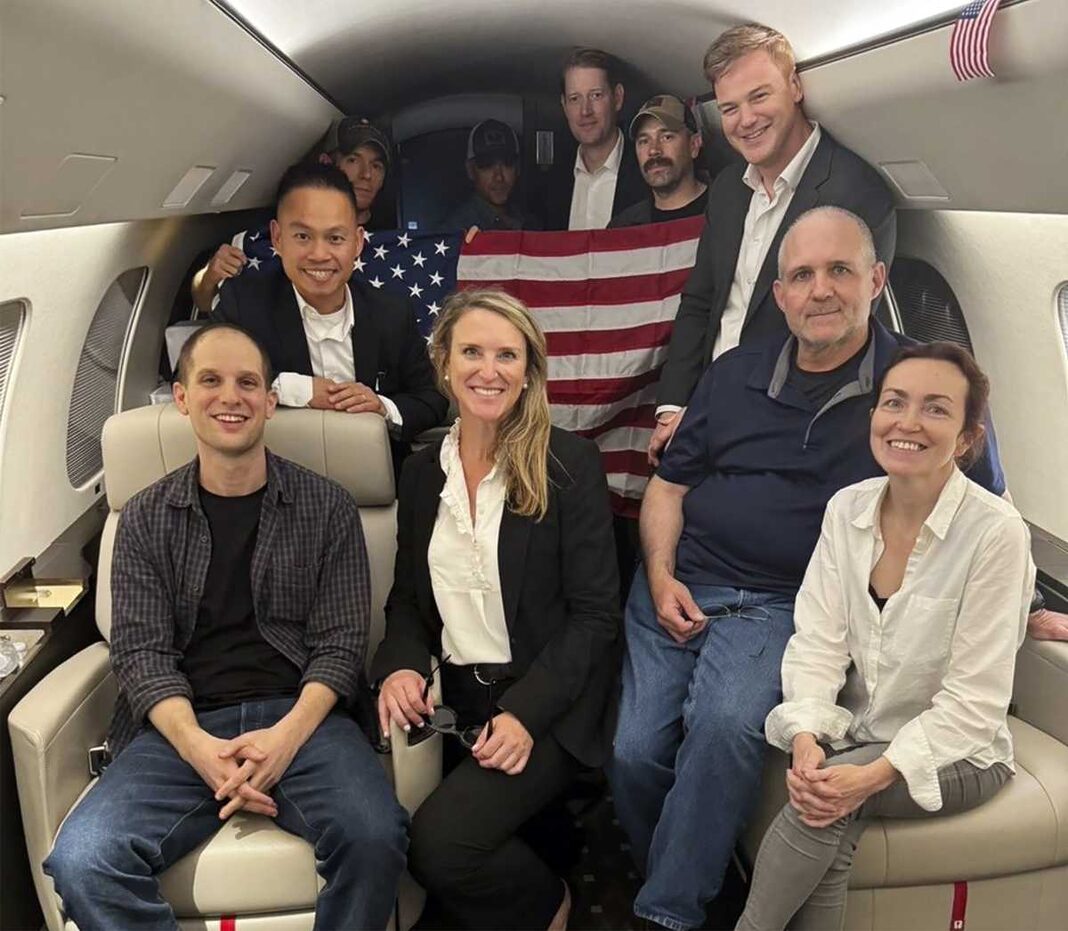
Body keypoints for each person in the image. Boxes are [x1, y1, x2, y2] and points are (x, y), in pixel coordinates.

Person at [608, 207, 1008, 931]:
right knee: (634, 752)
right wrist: (661, 574)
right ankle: (683, 874)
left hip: (783, 600)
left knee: (725, 724)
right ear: (781, 294)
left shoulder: (916, 387)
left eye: (840, 270)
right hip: (680, 579)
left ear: (876, 279)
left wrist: (1023, 606)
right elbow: (669, 487)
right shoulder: (733, 374)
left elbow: (983, 512)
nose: (820, 290)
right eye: (801, 275)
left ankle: (667, 912)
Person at [43, 322, 409, 930]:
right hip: (179, 728)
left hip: (303, 719)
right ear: (182, 398)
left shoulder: (328, 506)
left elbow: (340, 648)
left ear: (270, 400)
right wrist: (204, 753)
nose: (230, 397)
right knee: (84, 860)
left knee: (374, 836)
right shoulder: (142, 518)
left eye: (247, 383)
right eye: (209, 381)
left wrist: (282, 741)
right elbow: (142, 657)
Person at [736, 342, 1034, 931]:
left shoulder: (997, 534)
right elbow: (817, 639)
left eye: (936, 408)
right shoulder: (846, 509)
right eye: (894, 402)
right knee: (829, 817)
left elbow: (974, 706)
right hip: (857, 736)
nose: (908, 421)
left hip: (959, 752)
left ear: (968, 437)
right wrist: (807, 735)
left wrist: (867, 776)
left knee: (820, 809)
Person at [372, 289, 620, 930]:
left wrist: (523, 716)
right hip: (457, 700)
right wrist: (400, 666)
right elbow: (408, 601)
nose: (489, 370)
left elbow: (595, 618)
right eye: (472, 352)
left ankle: (551, 908)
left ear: (529, 370)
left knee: (439, 846)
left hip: (547, 705)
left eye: (507, 355)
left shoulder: (569, 464)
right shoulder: (424, 473)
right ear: (444, 364)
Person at [649, 23, 897, 465]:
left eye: (759, 97)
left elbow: (834, 339)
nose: (745, 120)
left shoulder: (856, 194)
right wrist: (673, 408)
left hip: (787, 423)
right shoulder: (727, 190)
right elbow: (701, 302)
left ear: (795, 87)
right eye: (729, 108)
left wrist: (726, 415)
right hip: (704, 406)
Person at [213, 161, 448, 466]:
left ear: (358, 242)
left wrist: (382, 407)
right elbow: (200, 377)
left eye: (335, 238)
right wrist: (300, 389)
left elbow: (431, 399)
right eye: (303, 237)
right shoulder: (244, 304)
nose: (320, 255)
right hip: (277, 478)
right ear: (277, 238)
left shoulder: (391, 311)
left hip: (374, 478)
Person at [192, 116, 392, 315]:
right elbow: (205, 302)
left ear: (357, 241)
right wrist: (210, 276)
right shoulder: (269, 235)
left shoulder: (396, 245)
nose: (366, 174)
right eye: (353, 160)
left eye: (376, 166)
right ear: (326, 162)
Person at [556, 47, 647, 230]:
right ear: (564, 106)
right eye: (575, 99)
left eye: (595, 95)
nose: (585, 111)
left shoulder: (648, 172)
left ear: (618, 98)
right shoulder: (549, 184)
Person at [609, 94, 708, 228]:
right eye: (644, 141)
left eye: (666, 137)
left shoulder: (728, 210)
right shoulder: (622, 228)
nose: (653, 150)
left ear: (694, 145)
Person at [443, 119, 539, 231]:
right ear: (470, 170)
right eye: (487, 165)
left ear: (518, 168)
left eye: (507, 163)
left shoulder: (529, 223)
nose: (499, 177)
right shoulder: (454, 232)